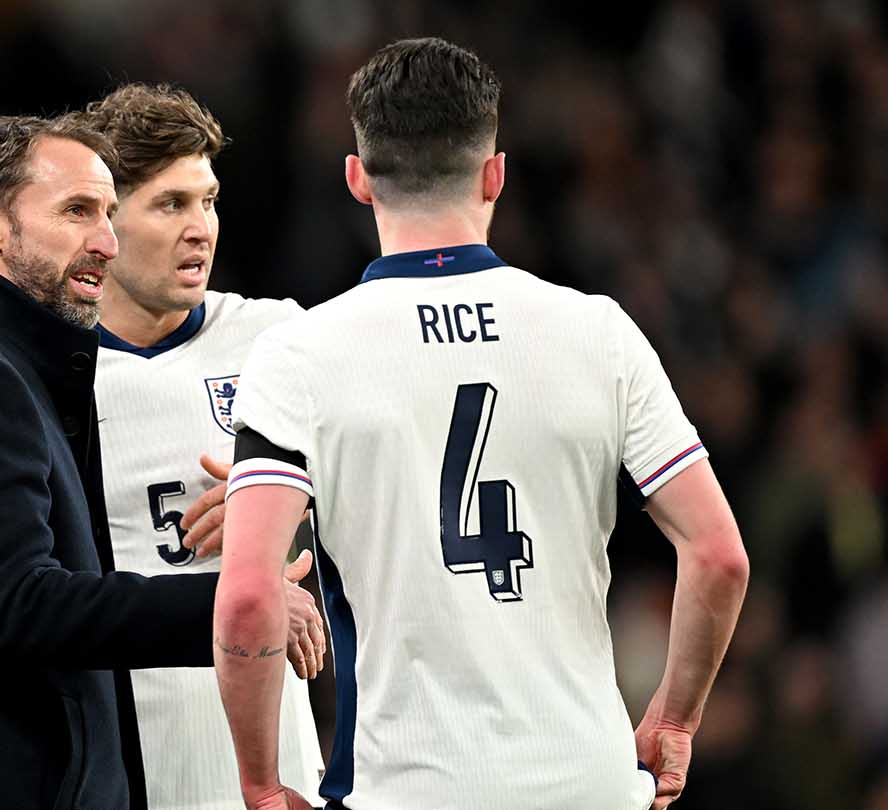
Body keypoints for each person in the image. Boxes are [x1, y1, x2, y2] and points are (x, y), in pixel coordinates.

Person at [213, 38, 750, 810]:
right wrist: (674, 719)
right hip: (591, 787)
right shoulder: (599, 332)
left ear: (358, 180)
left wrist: (262, 786)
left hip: (409, 790)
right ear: (495, 172)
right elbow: (720, 556)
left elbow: (247, 599)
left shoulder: (299, 355)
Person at [0, 89, 329, 809]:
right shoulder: (28, 374)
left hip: (264, 747)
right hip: (114, 751)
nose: (200, 228)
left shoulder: (281, 342)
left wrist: (290, 499)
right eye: (169, 205)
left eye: (208, 201)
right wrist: (4, 585)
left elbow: (409, 494)